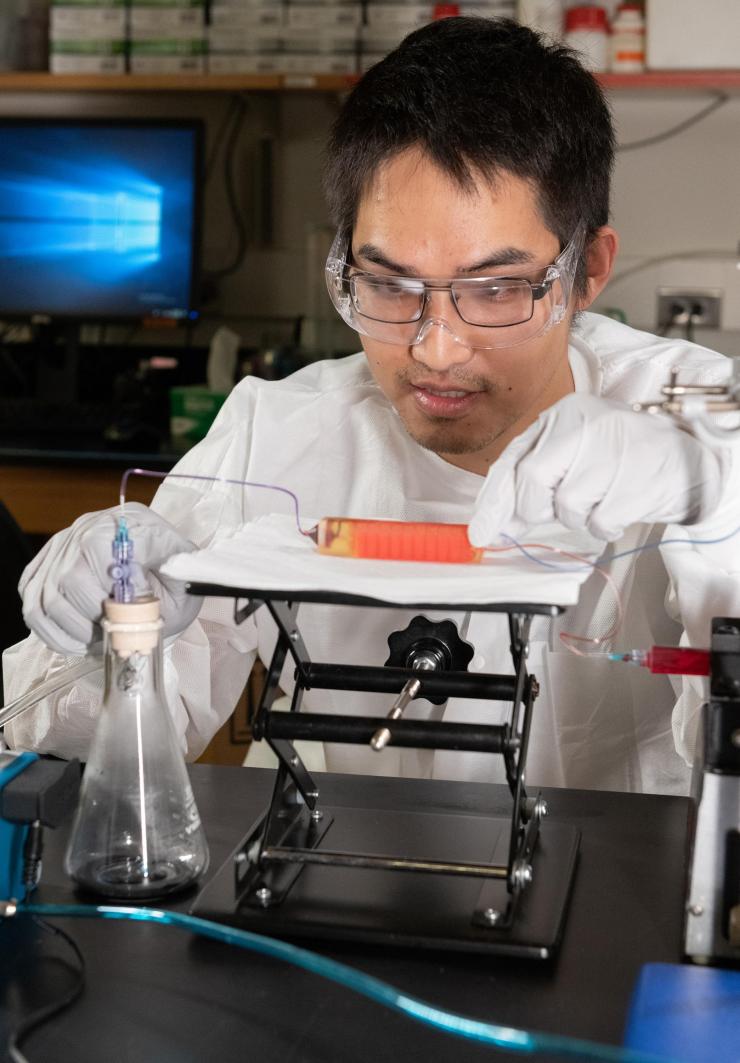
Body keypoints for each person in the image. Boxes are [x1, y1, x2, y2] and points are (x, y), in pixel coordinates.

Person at [3, 17, 739, 794]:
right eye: (390, 285)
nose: (436, 348)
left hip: (630, 899)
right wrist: (104, 630)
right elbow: (88, 734)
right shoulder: (281, 432)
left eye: (495, 289)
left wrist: (719, 524)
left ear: (587, 271)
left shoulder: (701, 429)